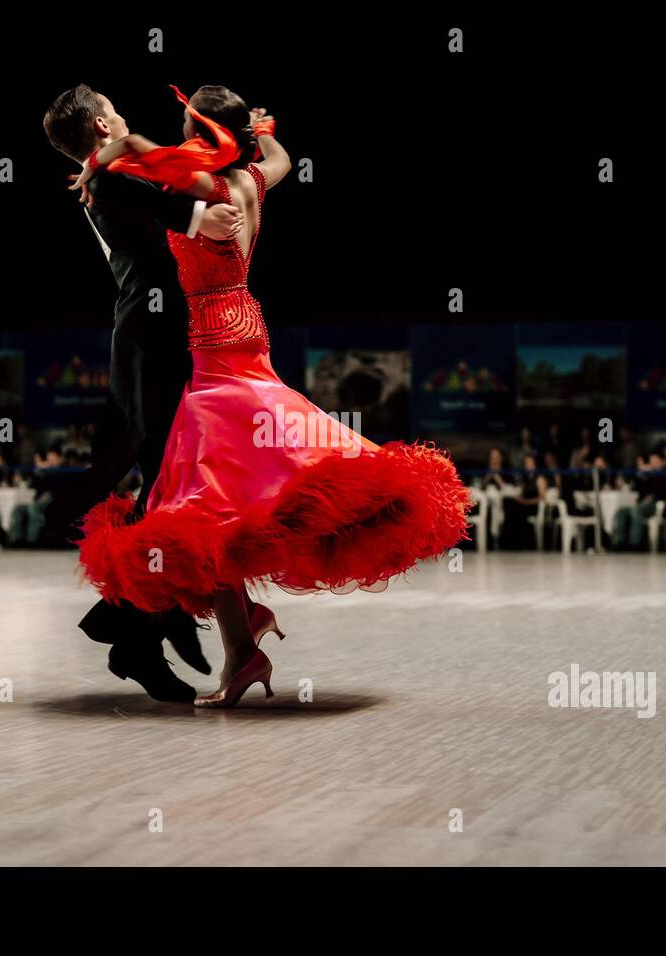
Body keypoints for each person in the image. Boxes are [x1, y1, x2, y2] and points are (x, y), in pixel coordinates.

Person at [71, 85, 470, 707]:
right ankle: (240, 642)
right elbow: (278, 160)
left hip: (204, 338)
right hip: (247, 324)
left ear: (201, 130)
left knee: (201, 503)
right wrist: (263, 132)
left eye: (186, 123)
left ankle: (230, 642)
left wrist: (100, 166)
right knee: (233, 487)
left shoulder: (195, 185)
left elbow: (142, 172)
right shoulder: (253, 178)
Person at [43, 83, 247, 701]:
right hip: (147, 342)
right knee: (167, 489)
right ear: (100, 126)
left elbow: (141, 157)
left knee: (171, 488)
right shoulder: (105, 180)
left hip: (154, 339)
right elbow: (131, 184)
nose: (123, 113)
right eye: (113, 109)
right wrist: (196, 217)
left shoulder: (109, 167)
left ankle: (157, 620)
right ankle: (138, 633)